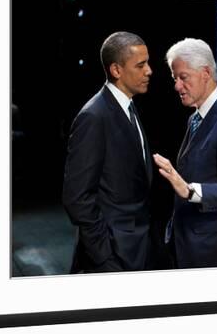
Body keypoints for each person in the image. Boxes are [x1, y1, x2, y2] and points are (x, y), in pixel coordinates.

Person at [153, 37, 217, 269]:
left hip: (214, 255)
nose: (177, 86)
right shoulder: (195, 118)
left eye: (183, 77)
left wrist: (191, 191)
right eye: (174, 78)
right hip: (188, 246)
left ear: (206, 73)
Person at [62, 31, 153, 273]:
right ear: (116, 70)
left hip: (136, 249)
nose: (149, 71)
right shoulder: (94, 116)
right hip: (112, 257)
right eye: (141, 65)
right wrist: (104, 257)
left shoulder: (128, 108)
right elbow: (77, 198)